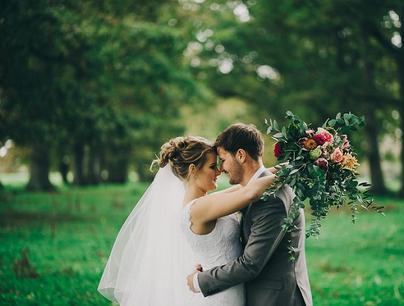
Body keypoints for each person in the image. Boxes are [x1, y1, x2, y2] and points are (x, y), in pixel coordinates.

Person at [98, 135, 276, 305]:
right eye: (212, 166)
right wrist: (291, 172)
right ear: (193, 169)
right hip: (219, 298)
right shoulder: (197, 209)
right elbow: (250, 192)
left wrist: (294, 165)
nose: (219, 171)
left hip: (227, 289)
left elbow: (243, 187)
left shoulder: (205, 203)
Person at [187, 123, 313, 306]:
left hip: (275, 299)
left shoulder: (270, 199)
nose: (221, 168)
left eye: (223, 159)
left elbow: (250, 264)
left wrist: (200, 281)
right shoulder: (258, 189)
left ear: (240, 155)